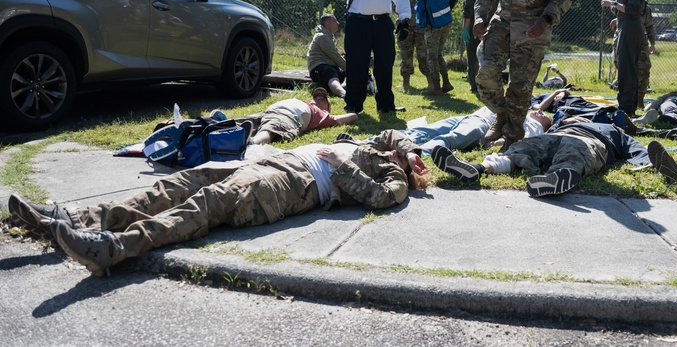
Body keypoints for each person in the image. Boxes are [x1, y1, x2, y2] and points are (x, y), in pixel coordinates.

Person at [8, 129, 431, 277]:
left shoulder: (391, 178)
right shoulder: (379, 147)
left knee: (202, 205)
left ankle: (112, 249)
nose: (401, 153)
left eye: (409, 159)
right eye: (406, 152)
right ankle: (72, 219)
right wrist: (409, 147)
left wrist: (351, 166)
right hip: (273, 162)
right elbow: (392, 135)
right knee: (177, 183)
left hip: (285, 187)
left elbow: (381, 200)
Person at [473, 0, 572, 150]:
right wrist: (479, 17)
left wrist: (546, 20)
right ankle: (502, 114)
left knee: (520, 88)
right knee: (485, 75)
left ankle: (512, 138)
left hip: (532, 31)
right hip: (501, 24)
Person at [431, 121, 648, 197]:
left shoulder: (612, 130)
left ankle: (555, 179)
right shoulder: (563, 121)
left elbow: (637, 150)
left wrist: (648, 163)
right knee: (522, 148)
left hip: (587, 141)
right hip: (553, 136)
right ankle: (477, 168)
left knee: (572, 154)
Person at [334, 0, 409, 115]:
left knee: (384, 65)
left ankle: (385, 105)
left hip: (382, 22)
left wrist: (405, 19)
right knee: (356, 65)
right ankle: (353, 105)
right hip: (357, 22)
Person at [397, 106, 551, 156]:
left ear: (545, 125)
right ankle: (378, 141)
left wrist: (501, 141)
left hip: (483, 126)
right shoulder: (524, 109)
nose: (540, 112)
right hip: (472, 116)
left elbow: (524, 139)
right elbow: (540, 105)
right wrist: (557, 93)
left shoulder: (536, 127)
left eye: (544, 116)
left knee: (450, 139)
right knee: (425, 131)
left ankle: (415, 155)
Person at [600, 0, 648, 116]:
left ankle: (625, 109)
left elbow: (634, 8)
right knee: (630, 70)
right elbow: (631, 11)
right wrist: (618, 17)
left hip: (630, 31)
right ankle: (630, 107)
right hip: (630, 28)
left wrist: (612, 3)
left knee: (626, 70)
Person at [407, 0, 458, 96]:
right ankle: (446, 83)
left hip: (433, 26)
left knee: (431, 56)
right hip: (446, 21)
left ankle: (435, 87)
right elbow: (455, 0)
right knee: (438, 53)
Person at [240, 88, 358, 145]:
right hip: (270, 112)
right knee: (241, 123)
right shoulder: (305, 103)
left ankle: (252, 143)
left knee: (271, 129)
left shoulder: (322, 115)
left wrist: (330, 114)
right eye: (318, 96)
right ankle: (225, 129)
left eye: (325, 100)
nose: (320, 98)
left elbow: (352, 117)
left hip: (287, 115)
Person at [397, 0, 430, 91]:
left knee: (424, 55)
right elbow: (393, 4)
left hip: (422, 26)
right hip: (405, 25)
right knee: (405, 54)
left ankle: (431, 83)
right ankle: (406, 82)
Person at [307, 13, 348, 98]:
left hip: (330, 66)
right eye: (335, 21)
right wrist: (351, 69)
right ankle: (344, 94)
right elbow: (335, 56)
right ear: (327, 23)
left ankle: (345, 86)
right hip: (320, 67)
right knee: (331, 73)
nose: (338, 23)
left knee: (347, 61)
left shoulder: (328, 36)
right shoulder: (322, 36)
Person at [463, 0, 487, 95]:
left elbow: (468, 8)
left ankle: (474, 85)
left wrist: (465, 28)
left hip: (476, 25)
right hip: (494, 24)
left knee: (473, 56)